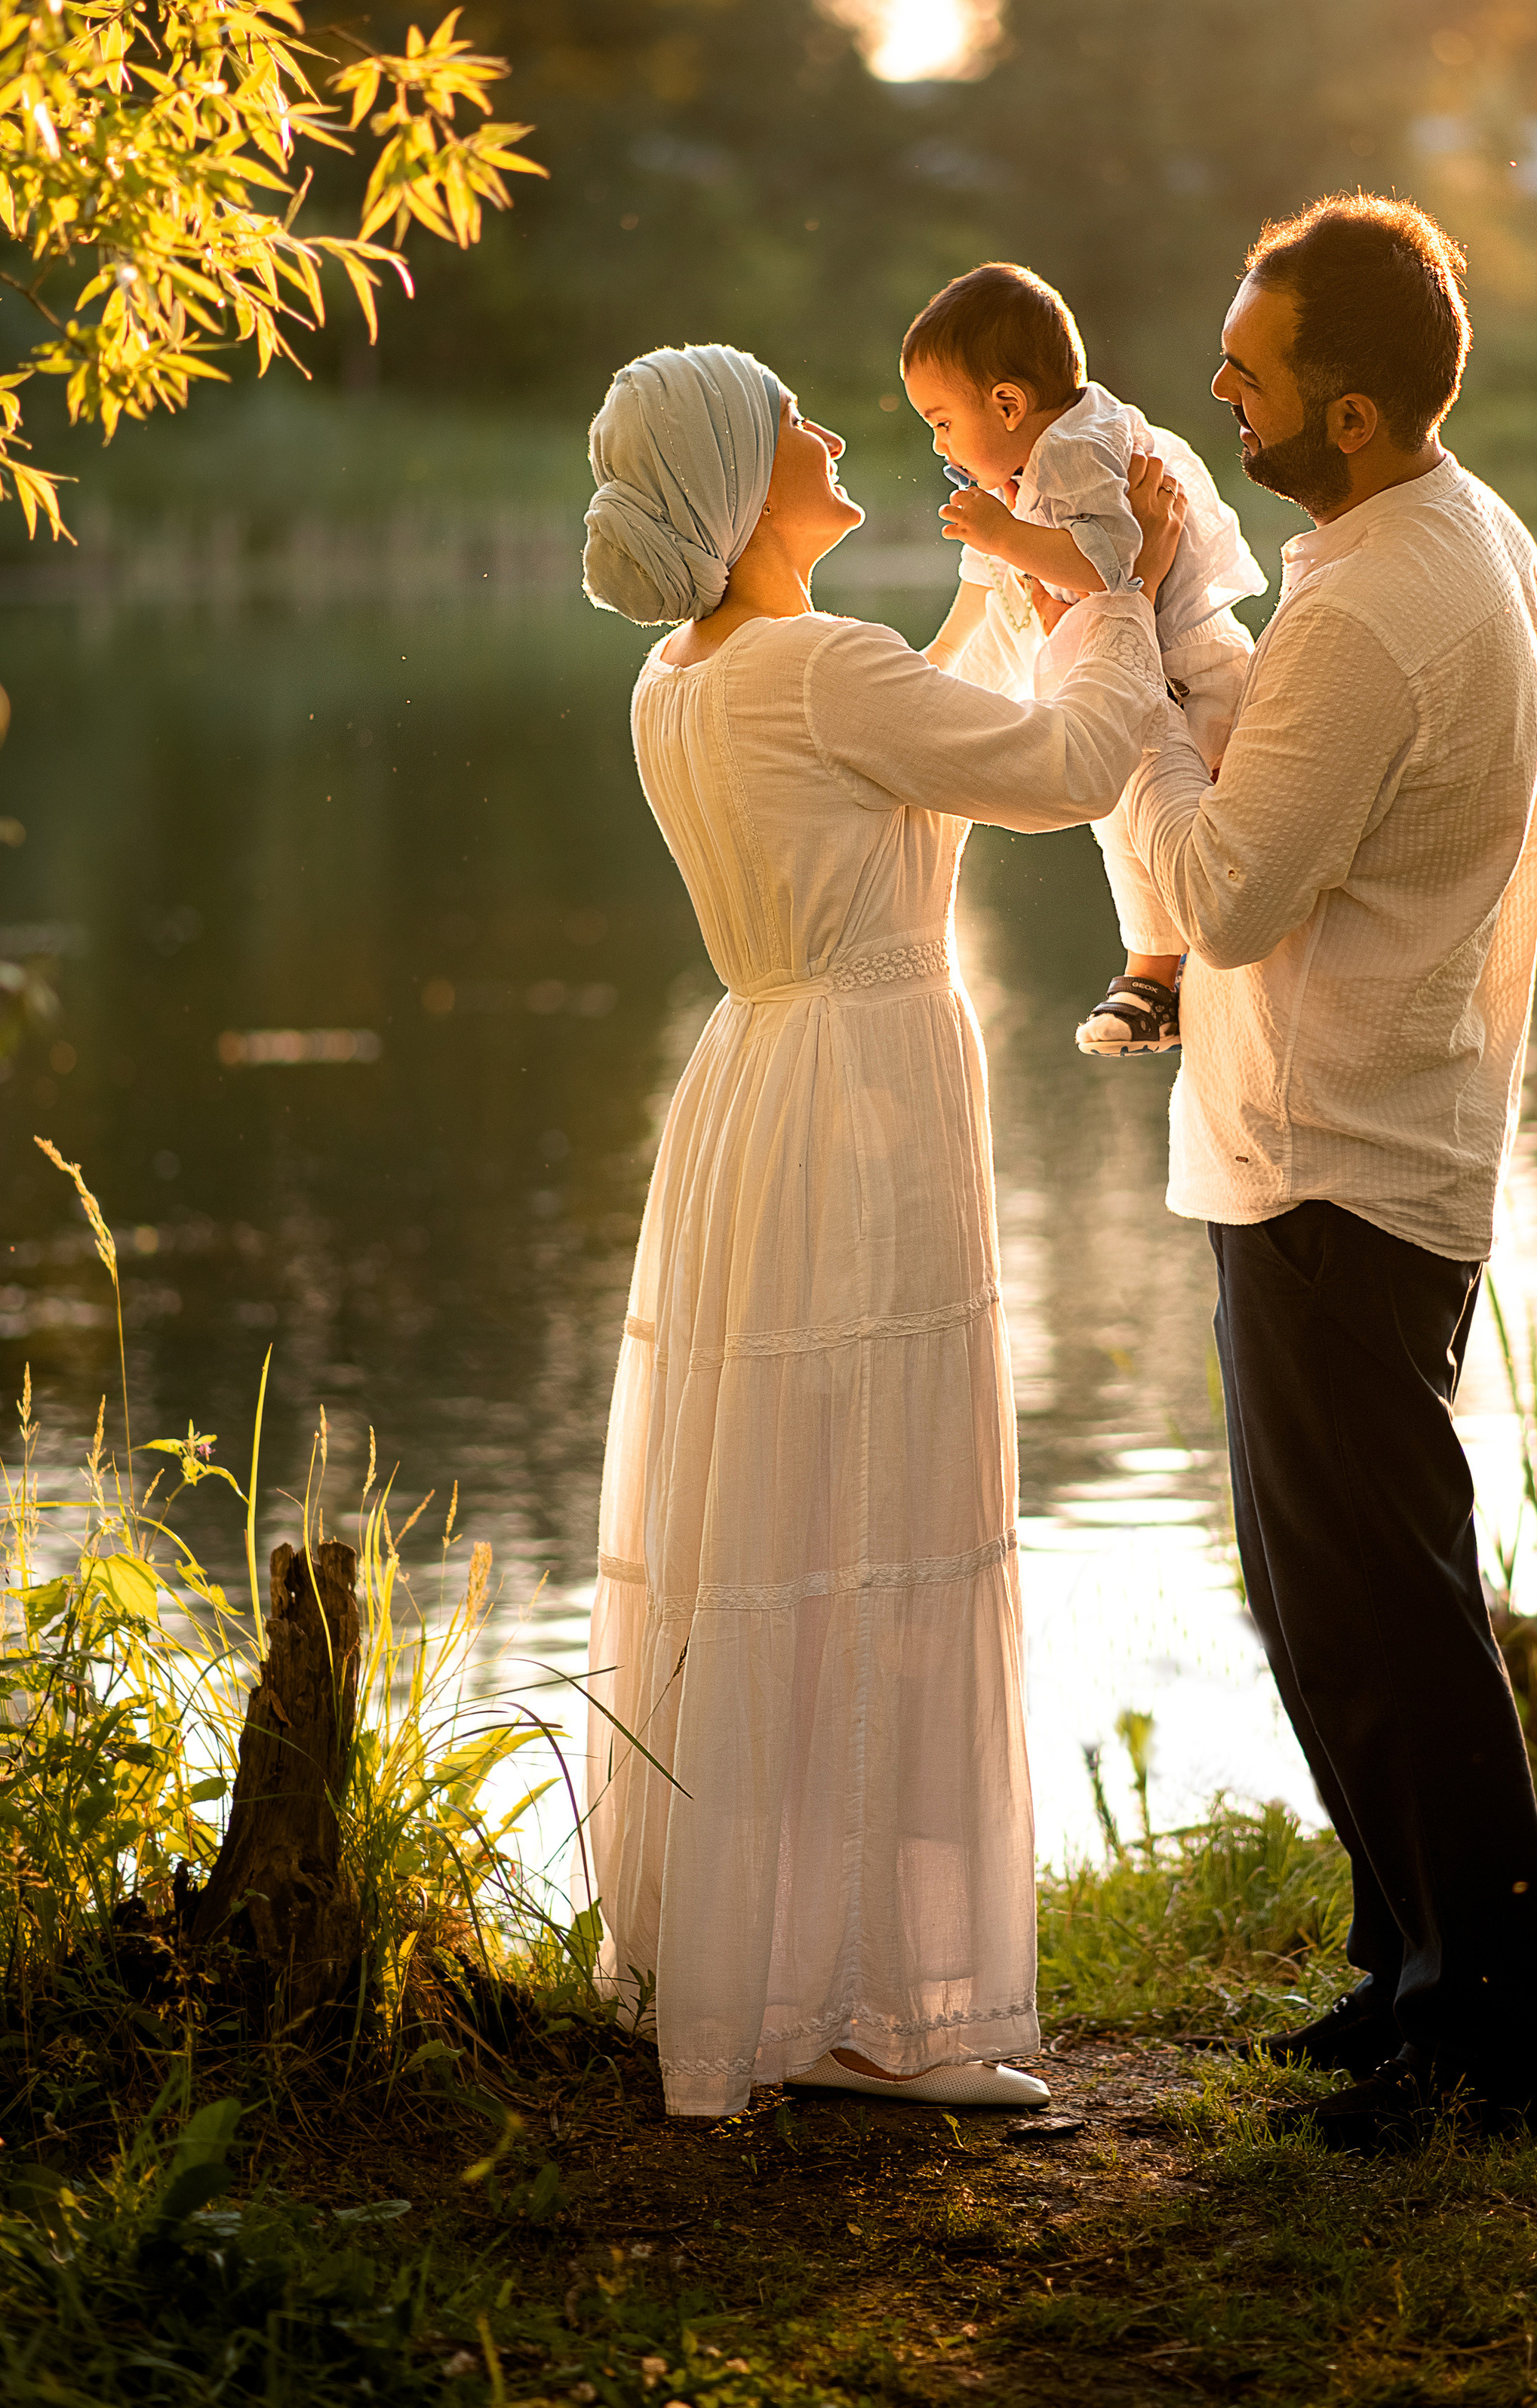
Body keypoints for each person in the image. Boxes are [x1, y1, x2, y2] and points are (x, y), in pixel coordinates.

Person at [578, 341, 1182, 2122]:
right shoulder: (816, 669)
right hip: (857, 1097)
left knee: (775, 1502)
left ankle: (758, 1961)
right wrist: (1118, 587)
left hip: (760, 1082)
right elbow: (1068, 764)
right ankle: (856, 2009)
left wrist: (1013, 574)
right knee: (866, 1509)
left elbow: (919, 723)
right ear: (737, 487)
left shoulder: (690, 677)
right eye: (794, 426)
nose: (833, 435)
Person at [1116, 196, 1537, 2154]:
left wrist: (1121, 683)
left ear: (1361, 411)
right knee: (1331, 1595)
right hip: (1363, 1135)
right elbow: (1297, 771)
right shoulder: (1439, 536)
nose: (1224, 387)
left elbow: (1224, 892)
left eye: (1256, 369)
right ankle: (1413, 1976)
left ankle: (1494, 2043)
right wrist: (1182, 628)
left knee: (1384, 1608)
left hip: (1335, 1162)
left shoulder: (1378, 600)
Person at [902, 261, 1265, 1059]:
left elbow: (1110, 563)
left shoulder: (1076, 447)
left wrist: (1003, 534)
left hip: (1193, 669)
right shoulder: (1023, 466)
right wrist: (938, 659)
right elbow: (986, 585)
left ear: (1007, 404)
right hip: (1146, 672)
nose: (938, 445)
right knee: (1123, 815)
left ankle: (1164, 976)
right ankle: (1154, 978)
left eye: (939, 422)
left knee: (1180, 825)